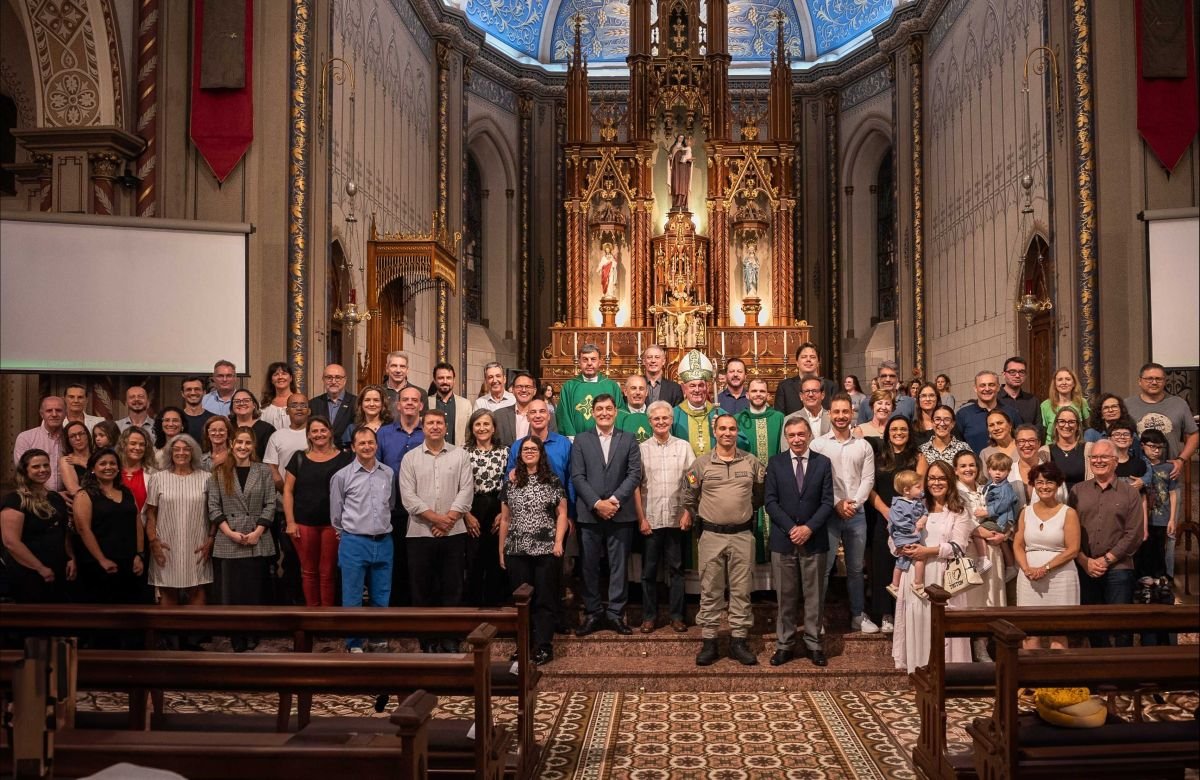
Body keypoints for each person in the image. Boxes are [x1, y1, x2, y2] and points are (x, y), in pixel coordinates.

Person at [682, 413, 765, 666]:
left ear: (737, 431)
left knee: (741, 591)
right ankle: (709, 641)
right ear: (714, 432)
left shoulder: (752, 463)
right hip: (711, 536)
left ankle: (739, 640)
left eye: (731, 429)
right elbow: (689, 496)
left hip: (741, 535)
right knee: (710, 591)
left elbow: (758, 496)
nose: (727, 433)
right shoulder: (700, 464)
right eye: (722, 429)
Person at [400, 408, 475, 651]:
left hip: (454, 533)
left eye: (439, 423)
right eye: (430, 423)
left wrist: (449, 520)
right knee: (423, 588)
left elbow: (466, 491)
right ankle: (428, 639)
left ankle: (450, 638)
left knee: (452, 587)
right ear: (423, 426)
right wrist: (436, 520)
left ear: (445, 427)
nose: (434, 427)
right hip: (420, 534)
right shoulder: (410, 458)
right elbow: (408, 497)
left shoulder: (460, 455)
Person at [891, 461, 973, 673]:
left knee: (942, 626)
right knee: (919, 621)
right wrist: (902, 548)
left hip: (944, 575)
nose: (936, 483)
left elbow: (959, 547)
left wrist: (927, 552)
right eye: (932, 478)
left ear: (950, 481)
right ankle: (919, 672)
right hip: (915, 574)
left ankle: (949, 673)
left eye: (941, 478)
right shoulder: (915, 504)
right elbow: (893, 532)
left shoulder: (959, 509)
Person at [570, 394, 641, 636]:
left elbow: (634, 474)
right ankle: (592, 612)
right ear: (592, 412)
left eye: (608, 409)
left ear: (615, 411)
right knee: (589, 565)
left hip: (620, 513)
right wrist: (596, 503)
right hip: (589, 514)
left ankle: (615, 613)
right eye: (599, 409)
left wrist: (613, 501)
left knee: (619, 565)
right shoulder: (581, 440)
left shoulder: (629, 439)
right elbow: (577, 476)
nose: (604, 413)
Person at [765, 416, 834, 667]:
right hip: (784, 540)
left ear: (809, 436)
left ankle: (814, 644)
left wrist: (808, 528)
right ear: (786, 437)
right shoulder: (776, 463)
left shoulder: (823, 463)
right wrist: (792, 528)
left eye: (801, 434)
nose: (796, 439)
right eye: (792, 435)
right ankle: (785, 645)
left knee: (814, 596)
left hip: (814, 540)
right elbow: (770, 501)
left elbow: (828, 502)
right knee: (786, 596)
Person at [498, 436, 569, 665]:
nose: (529, 452)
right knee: (521, 601)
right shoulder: (511, 482)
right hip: (516, 550)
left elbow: (562, 515)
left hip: (546, 549)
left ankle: (543, 646)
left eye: (533, 448)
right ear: (520, 454)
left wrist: (559, 542)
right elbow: (506, 519)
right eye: (525, 449)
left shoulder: (553, 480)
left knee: (545, 600)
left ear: (541, 452)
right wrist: (501, 550)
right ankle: (523, 646)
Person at [811, 394, 877, 633]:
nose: (840, 416)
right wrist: (838, 503)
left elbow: (868, 479)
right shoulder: (818, 445)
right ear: (829, 414)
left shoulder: (863, 445)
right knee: (824, 568)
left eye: (845, 412)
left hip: (856, 514)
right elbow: (816, 482)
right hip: (827, 513)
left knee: (857, 568)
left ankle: (858, 615)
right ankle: (816, 618)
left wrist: (854, 504)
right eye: (836, 412)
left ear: (852, 413)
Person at [206, 427, 277, 649]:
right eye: (239, 443)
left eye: (247, 443)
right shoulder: (219, 472)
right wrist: (229, 533)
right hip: (229, 538)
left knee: (254, 591)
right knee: (232, 593)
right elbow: (213, 506)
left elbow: (271, 504)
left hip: (257, 538)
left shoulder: (263, 471)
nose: (243, 447)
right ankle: (237, 636)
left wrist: (257, 532)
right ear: (231, 444)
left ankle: (253, 633)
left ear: (253, 446)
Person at [1072, 439, 1143, 647]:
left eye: (1104, 457)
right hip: (1086, 567)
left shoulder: (1130, 492)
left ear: (1115, 461)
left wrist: (1106, 559)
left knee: (1121, 626)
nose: (1098, 461)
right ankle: (1100, 676)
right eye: (1094, 457)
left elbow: (1134, 533)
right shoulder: (1077, 490)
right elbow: (1070, 530)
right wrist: (1084, 561)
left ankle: (1124, 676)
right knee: (1094, 626)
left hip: (1119, 568)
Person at [330, 428, 396, 652]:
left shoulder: (387, 473)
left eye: (371, 443)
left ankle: (378, 638)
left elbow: (391, 504)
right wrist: (348, 533)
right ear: (353, 447)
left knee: (381, 595)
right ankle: (354, 643)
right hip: (354, 542)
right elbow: (336, 515)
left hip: (384, 541)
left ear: (376, 445)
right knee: (352, 596)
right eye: (362, 443)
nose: (367, 447)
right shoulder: (341, 476)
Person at [636, 400, 694, 634]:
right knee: (648, 572)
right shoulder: (641, 449)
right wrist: (641, 518)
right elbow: (636, 486)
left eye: (665, 418)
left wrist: (688, 512)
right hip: (650, 518)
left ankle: (677, 616)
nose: (661, 422)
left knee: (676, 570)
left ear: (671, 420)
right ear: (650, 422)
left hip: (675, 518)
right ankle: (649, 616)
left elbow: (692, 483)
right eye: (656, 418)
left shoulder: (684, 447)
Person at [283, 416, 352, 607]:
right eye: (314, 431)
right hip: (303, 523)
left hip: (333, 524)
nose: (319, 434)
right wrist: (290, 522)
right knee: (308, 571)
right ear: (309, 435)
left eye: (323, 430)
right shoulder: (298, 457)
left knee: (328, 571)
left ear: (330, 432)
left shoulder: (345, 458)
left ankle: (327, 619)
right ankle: (312, 616)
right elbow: (287, 491)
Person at [1014, 462, 1080, 650]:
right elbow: (1018, 544)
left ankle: (1058, 678)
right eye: (1040, 482)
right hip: (1029, 579)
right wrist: (1026, 568)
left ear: (1058, 485)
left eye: (1049, 482)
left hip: (1061, 579)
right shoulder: (1025, 512)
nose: (1044, 487)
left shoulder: (1068, 513)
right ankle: (1031, 678)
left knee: (1058, 633)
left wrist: (1045, 568)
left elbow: (1073, 549)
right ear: (1034, 485)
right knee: (1029, 633)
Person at [145, 435, 213, 607]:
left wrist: (211, 540)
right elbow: (151, 513)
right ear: (170, 453)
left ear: (193, 452)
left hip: (198, 543)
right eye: (176, 449)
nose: (181, 453)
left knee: (197, 588)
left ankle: (198, 634)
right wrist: (153, 542)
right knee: (167, 588)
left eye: (186, 448)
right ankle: (168, 633)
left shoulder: (207, 478)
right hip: (166, 544)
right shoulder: (157, 479)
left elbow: (214, 512)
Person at [73, 448, 145, 607]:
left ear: (118, 468)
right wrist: (102, 559)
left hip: (129, 562)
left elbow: (137, 522)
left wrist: (139, 554)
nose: (108, 467)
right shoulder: (84, 495)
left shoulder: (126, 492)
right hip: (99, 564)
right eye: (103, 463)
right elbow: (83, 530)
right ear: (92, 468)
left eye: (113, 463)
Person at [954, 449, 1008, 661]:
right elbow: (960, 520)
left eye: (972, 465)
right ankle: (975, 647)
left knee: (991, 596)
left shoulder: (986, 489)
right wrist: (982, 532)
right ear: (956, 471)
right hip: (971, 550)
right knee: (975, 599)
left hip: (993, 549)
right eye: (963, 466)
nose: (969, 469)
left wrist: (1003, 534)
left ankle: (988, 642)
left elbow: (1003, 512)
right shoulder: (956, 492)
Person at [867, 416, 920, 633]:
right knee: (882, 564)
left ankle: (906, 611)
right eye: (894, 429)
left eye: (903, 429)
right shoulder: (878, 458)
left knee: (906, 563)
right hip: (884, 516)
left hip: (910, 519)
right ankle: (885, 613)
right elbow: (870, 488)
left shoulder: (917, 457)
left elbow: (921, 486)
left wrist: (910, 514)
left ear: (909, 432)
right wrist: (886, 511)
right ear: (887, 432)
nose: (898, 433)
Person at [1, 450, 74, 602]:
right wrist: (40, 568)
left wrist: (71, 558)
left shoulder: (55, 498)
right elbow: (11, 542)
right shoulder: (15, 500)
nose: (42, 470)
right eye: (36, 466)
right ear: (25, 470)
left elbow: (63, 532)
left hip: (58, 569)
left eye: (46, 465)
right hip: (28, 573)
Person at [377, 385, 426, 607]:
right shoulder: (384, 433)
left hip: (422, 509)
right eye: (405, 399)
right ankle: (396, 612)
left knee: (418, 564)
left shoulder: (428, 431)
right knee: (395, 562)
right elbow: (375, 468)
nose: (409, 403)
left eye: (414, 400)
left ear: (421, 405)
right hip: (393, 508)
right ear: (398, 405)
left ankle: (418, 611)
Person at [735, 378, 785, 566]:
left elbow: (783, 449)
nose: (758, 395)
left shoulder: (778, 417)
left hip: (773, 481)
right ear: (747, 395)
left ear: (768, 395)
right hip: (746, 483)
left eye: (762, 391)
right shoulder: (739, 418)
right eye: (754, 391)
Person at [463, 409, 509, 607]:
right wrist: (466, 515)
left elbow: (509, 484)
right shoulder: (463, 452)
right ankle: (473, 608)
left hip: (498, 506)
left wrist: (504, 513)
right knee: (473, 560)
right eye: (478, 424)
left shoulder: (505, 451)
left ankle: (494, 607)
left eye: (486, 424)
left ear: (494, 428)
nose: (482, 428)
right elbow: (459, 485)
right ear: (472, 429)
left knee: (495, 559)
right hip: (472, 506)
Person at [1125, 361, 1198, 479]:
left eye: (1158, 379)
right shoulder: (1127, 405)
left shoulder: (1179, 404)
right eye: (1149, 379)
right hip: (1136, 471)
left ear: (1165, 381)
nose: (1154, 382)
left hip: (1169, 471)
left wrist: (1181, 460)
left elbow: (1193, 435)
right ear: (1140, 381)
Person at [1135, 429, 1178, 581]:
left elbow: (1173, 493)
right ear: (1142, 446)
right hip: (1143, 518)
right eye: (1152, 446)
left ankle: (1161, 578)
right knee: (1144, 549)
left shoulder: (1168, 468)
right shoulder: (1139, 467)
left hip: (1162, 517)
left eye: (1159, 447)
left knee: (1160, 550)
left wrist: (1172, 519)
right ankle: (1144, 580)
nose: (1156, 450)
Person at [557, 345, 625, 437]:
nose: (589, 363)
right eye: (585, 359)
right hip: (576, 442)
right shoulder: (569, 386)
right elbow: (563, 415)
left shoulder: (611, 386)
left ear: (599, 362)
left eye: (593, 359)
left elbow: (619, 414)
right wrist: (572, 438)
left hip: (607, 439)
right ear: (579, 362)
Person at [975, 452, 1019, 575]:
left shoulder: (1005, 488)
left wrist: (987, 512)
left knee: (977, 530)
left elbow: (1003, 504)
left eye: (1002, 470)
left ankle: (983, 559)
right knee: (1003, 542)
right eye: (994, 469)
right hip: (997, 520)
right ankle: (1010, 566)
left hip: (1000, 520)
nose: (998, 473)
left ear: (1008, 471)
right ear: (988, 469)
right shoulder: (990, 484)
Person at [886, 470, 929, 600]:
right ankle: (917, 584)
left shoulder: (918, 501)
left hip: (911, 536)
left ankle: (894, 584)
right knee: (920, 558)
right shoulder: (898, 504)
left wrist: (922, 520)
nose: (921, 489)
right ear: (906, 490)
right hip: (904, 537)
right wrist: (912, 529)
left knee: (902, 560)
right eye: (918, 487)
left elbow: (925, 512)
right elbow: (897, 521)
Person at [955, 371, 1021, 452]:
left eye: (991, 385)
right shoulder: (963, 415)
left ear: (998, 387)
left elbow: (1020, 440)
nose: (987, 389)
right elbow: (956, 446)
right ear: (975, 388)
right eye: (982, 385)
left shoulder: (1011, 412)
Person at [672, 350, 721, 456]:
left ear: (707, 387)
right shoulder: (674, 415)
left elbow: (742, 443)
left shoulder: (719, 414)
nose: (697, 390)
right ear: (684, 389)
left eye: (701, 385)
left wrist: (723, 430)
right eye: (692, 386)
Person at [14, 396, 67, 492]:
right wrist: (51, 495)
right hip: (35, 497)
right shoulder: (26, 438)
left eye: (58, 410)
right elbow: (23, 473)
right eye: (49, 411)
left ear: (65, 414)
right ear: (42, 414)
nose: (54, 414)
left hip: (68, 498)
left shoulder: (71, 438)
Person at [774, 343, 838, 415]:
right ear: (797, 362)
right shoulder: (784, 387)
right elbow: (780, 417)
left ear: (818, 362)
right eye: (804, 357)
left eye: (812, 357)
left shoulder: (831, 387)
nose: (808, 360)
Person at [495, 370, 556, 445]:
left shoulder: (548, 416)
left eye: (528, 387)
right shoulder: (499, 416)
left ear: (534, 391)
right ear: (513, 390)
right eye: (519, 386)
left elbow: (553, 445)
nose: (523, 390)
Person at [1040, 406, 1090, 491]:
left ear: (1078, 426)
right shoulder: (1045, 451)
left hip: (1083, 500)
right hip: (1055, 502)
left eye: (1071, 422)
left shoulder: (1089, 449)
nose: (1066, 425)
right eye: (1062, 421)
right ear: (1056, 425)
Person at [308, 363, 357, 448]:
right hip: (320, 452)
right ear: (323, 380)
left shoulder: (356, 402)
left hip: (346, 453)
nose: (333, 382)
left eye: (338, 377)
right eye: (329, 377)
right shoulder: (313, 404)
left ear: (344, 380)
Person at [1039, 367, 1090, 443]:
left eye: (1068, 379)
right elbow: (1043, 432)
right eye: (1060, 380)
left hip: (1076, 447)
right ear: (1055, 384)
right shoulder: (1045, 405)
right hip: (1051, 447)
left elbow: (1088, 427)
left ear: (1074, 383)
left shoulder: (1082, 402)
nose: (1064, 383)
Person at [917, 405, 972, 475]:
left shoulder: (963, 448)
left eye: (947, 419)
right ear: (932, 422)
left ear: (953, 423)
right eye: (937, 419)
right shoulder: (922, 450)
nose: (942, 423)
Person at [429, 362, 473, 445]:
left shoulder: (465, 404)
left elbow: (469, 434)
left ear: (454, 380)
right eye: (441, 378)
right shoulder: (427, 402)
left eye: (449, 378)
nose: (445, 381)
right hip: (432, 455)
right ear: (435, 381)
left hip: (457, 454)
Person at [116, 426, 156, 516]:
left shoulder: (153, 474)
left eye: (142, 444)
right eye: (133, 443)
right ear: (123, 445)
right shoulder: (113, 471)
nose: (137, 448)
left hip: (143, 527)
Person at [228, 389, 274, 461]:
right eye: (237, 401)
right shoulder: (226, 427)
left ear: (254, 405)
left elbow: (271, 458)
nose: (242, 403)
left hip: (258, 470)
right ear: (232, 407)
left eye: (246, 400)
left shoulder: (267, 429)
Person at [782, 375, 831, 441]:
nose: (810, 395)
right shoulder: (789, 419)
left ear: (822, 395)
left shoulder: (833, 417)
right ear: (801, 396)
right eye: (807, 391)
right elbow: (786, 449)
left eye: (814, 391)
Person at [998, 357, 1039, 434]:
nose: (1017, 375)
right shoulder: (995, 399)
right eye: (1012, 372)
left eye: (1021, 372)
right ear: (1004, 374)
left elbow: (1038, 428)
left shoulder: (1033, 400)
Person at [259, 361, 298, 431]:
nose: (280, 377)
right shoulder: (263, 405)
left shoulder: (299, 402)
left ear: (291, 378)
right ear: (271, 380)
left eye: (284, 374)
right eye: (276, 374)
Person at [58, 420, 93, 499]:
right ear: (68, 440)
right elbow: (74, 490)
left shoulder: (99, 455)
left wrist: (82, 463)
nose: (78, 438)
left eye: (81, 434)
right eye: (72, 436)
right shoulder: (67, 460)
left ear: (87, 435)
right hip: (83, 502)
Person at [616, 374, 651, 443]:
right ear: (625, 392)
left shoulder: (654, 414)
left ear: (646, 392)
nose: (637, 392)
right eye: (633, 388)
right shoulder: (617, 416)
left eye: (641, 389)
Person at [179, 376, 215, 442]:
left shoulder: (213, 419)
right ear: (182, 393)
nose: (193, 393)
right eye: (189, 389)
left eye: (197, 389)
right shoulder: (176, 419)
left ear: (204, 392)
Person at [667, 134, 692, 210]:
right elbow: (671, 158)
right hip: (676, 169)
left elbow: (689, 158)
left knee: (683, 186)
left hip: (683, 169)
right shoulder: (673, 147)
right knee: (676, 185)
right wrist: (670, 158)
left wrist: (689, 160)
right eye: (679, 137)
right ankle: (676, 203)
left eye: (682, 138)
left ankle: (683, 203)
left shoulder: (685, 148)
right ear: (677, 138)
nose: (681, 139)